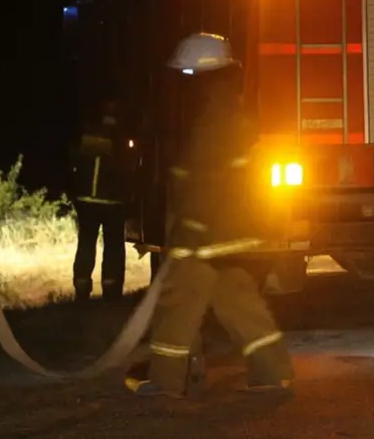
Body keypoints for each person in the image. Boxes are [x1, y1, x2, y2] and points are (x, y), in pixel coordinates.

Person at [124, 32, 293, 398]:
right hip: (233, 232)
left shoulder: (214, 119)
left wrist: (189, 230)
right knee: (238, 302)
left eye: (187, 74)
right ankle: (272, 372)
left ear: (202, 74)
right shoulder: (232, 111)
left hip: (205, 233)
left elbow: (205, 180)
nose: (183, 81)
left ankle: (166, 380)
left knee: (178, 304)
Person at [69, 100, 133, 302]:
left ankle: (81, 286)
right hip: (112, 202)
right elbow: (128, 167)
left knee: (86, 243)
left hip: (86, 200)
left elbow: (73, 161)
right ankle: (111, 289)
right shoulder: (122, 135)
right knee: (113, 245)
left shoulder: (87, 132)